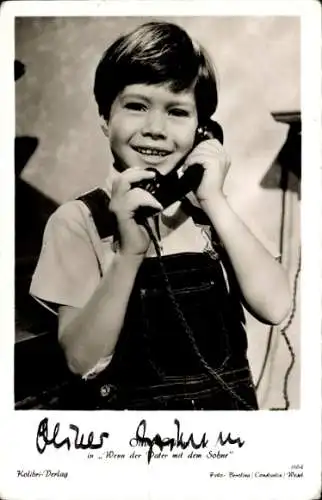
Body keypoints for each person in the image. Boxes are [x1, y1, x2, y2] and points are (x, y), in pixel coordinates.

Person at [30, 21, 291, 410]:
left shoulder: (211, 214)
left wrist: (214, 200)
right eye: (136, 106)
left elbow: (276, 307)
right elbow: (79, 361)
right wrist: (127, 256)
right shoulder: (78, 221)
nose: (155, 129)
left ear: (204, 131)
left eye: (177, 112)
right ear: (105, 118)